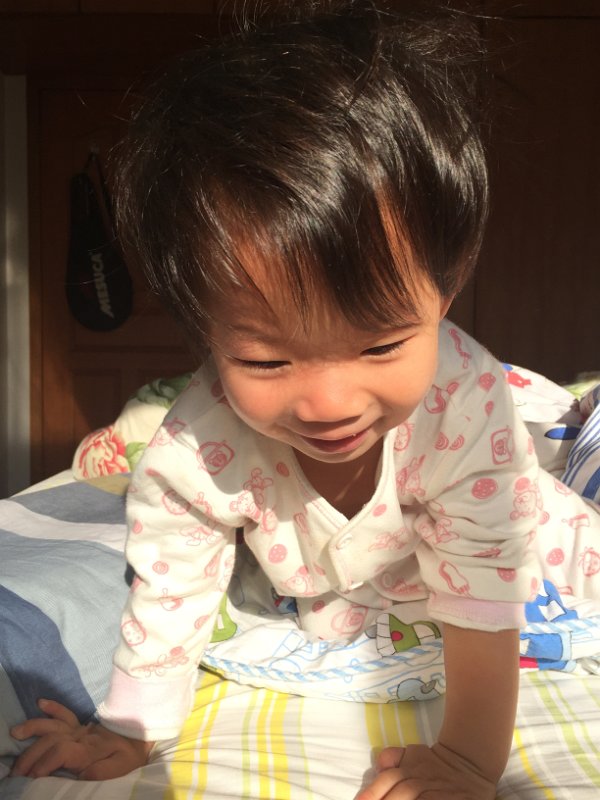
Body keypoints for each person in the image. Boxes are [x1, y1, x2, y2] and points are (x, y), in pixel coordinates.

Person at [10, 1, 600, 797]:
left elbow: (488, 586)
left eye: (379, 345)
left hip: (524, 535)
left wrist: (466, 759)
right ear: (202, 326)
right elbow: (172, 584)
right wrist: (130, 731)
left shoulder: (468, 408)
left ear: (448, 284)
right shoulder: (196, 448)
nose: (329, 403)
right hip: (360, 585)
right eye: (266, 358)